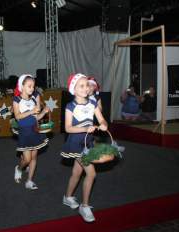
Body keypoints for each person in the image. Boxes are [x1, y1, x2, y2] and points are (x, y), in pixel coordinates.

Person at [61, 73, 108, 222]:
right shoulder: (70, 106)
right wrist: (85, 128)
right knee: (91, 174)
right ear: (73, 90)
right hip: (76, 144)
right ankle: (84, 206)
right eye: (81, 85)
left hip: (88, 143)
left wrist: (103, 125)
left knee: (76, 172)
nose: (85, 87)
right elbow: (68, 128)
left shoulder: (93, 104)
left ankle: (67, 197)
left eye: (87, 85)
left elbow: (101, 119)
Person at [13, 74, 50, 190]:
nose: (32, 89)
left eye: (33, 86)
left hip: (35, 131)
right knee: (27, 160)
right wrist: (31, 111)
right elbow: (18, 117)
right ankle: (19, 168)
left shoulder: (34, 99)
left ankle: (29, 181)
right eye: (29, 86)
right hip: (25, 133)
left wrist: (43, 112)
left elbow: (36, 118)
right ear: (22, 86)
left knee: (33, 158)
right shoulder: (17, 100)